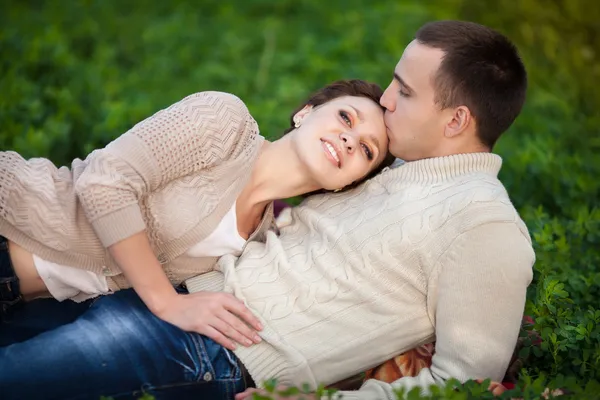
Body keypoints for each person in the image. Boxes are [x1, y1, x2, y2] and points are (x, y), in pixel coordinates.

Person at [0, 20, 534, 400]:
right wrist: (169, 300)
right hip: (163, 300)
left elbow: (465, 382)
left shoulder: (484, 225)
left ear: (457, 119)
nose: (388, 102)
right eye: (389, 86)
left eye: (404, 90)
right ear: (306, 114)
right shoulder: (394, 179)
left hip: (212, 348)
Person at [0, 79, 394, 349]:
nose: (349, 138)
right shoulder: (226, 122)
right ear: (305, 113)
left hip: (26, 299)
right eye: (346, 118)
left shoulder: (261, 241)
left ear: (348, 184)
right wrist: (165, 302)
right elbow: (104, 181)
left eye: (366, 150)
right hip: (12, 220)